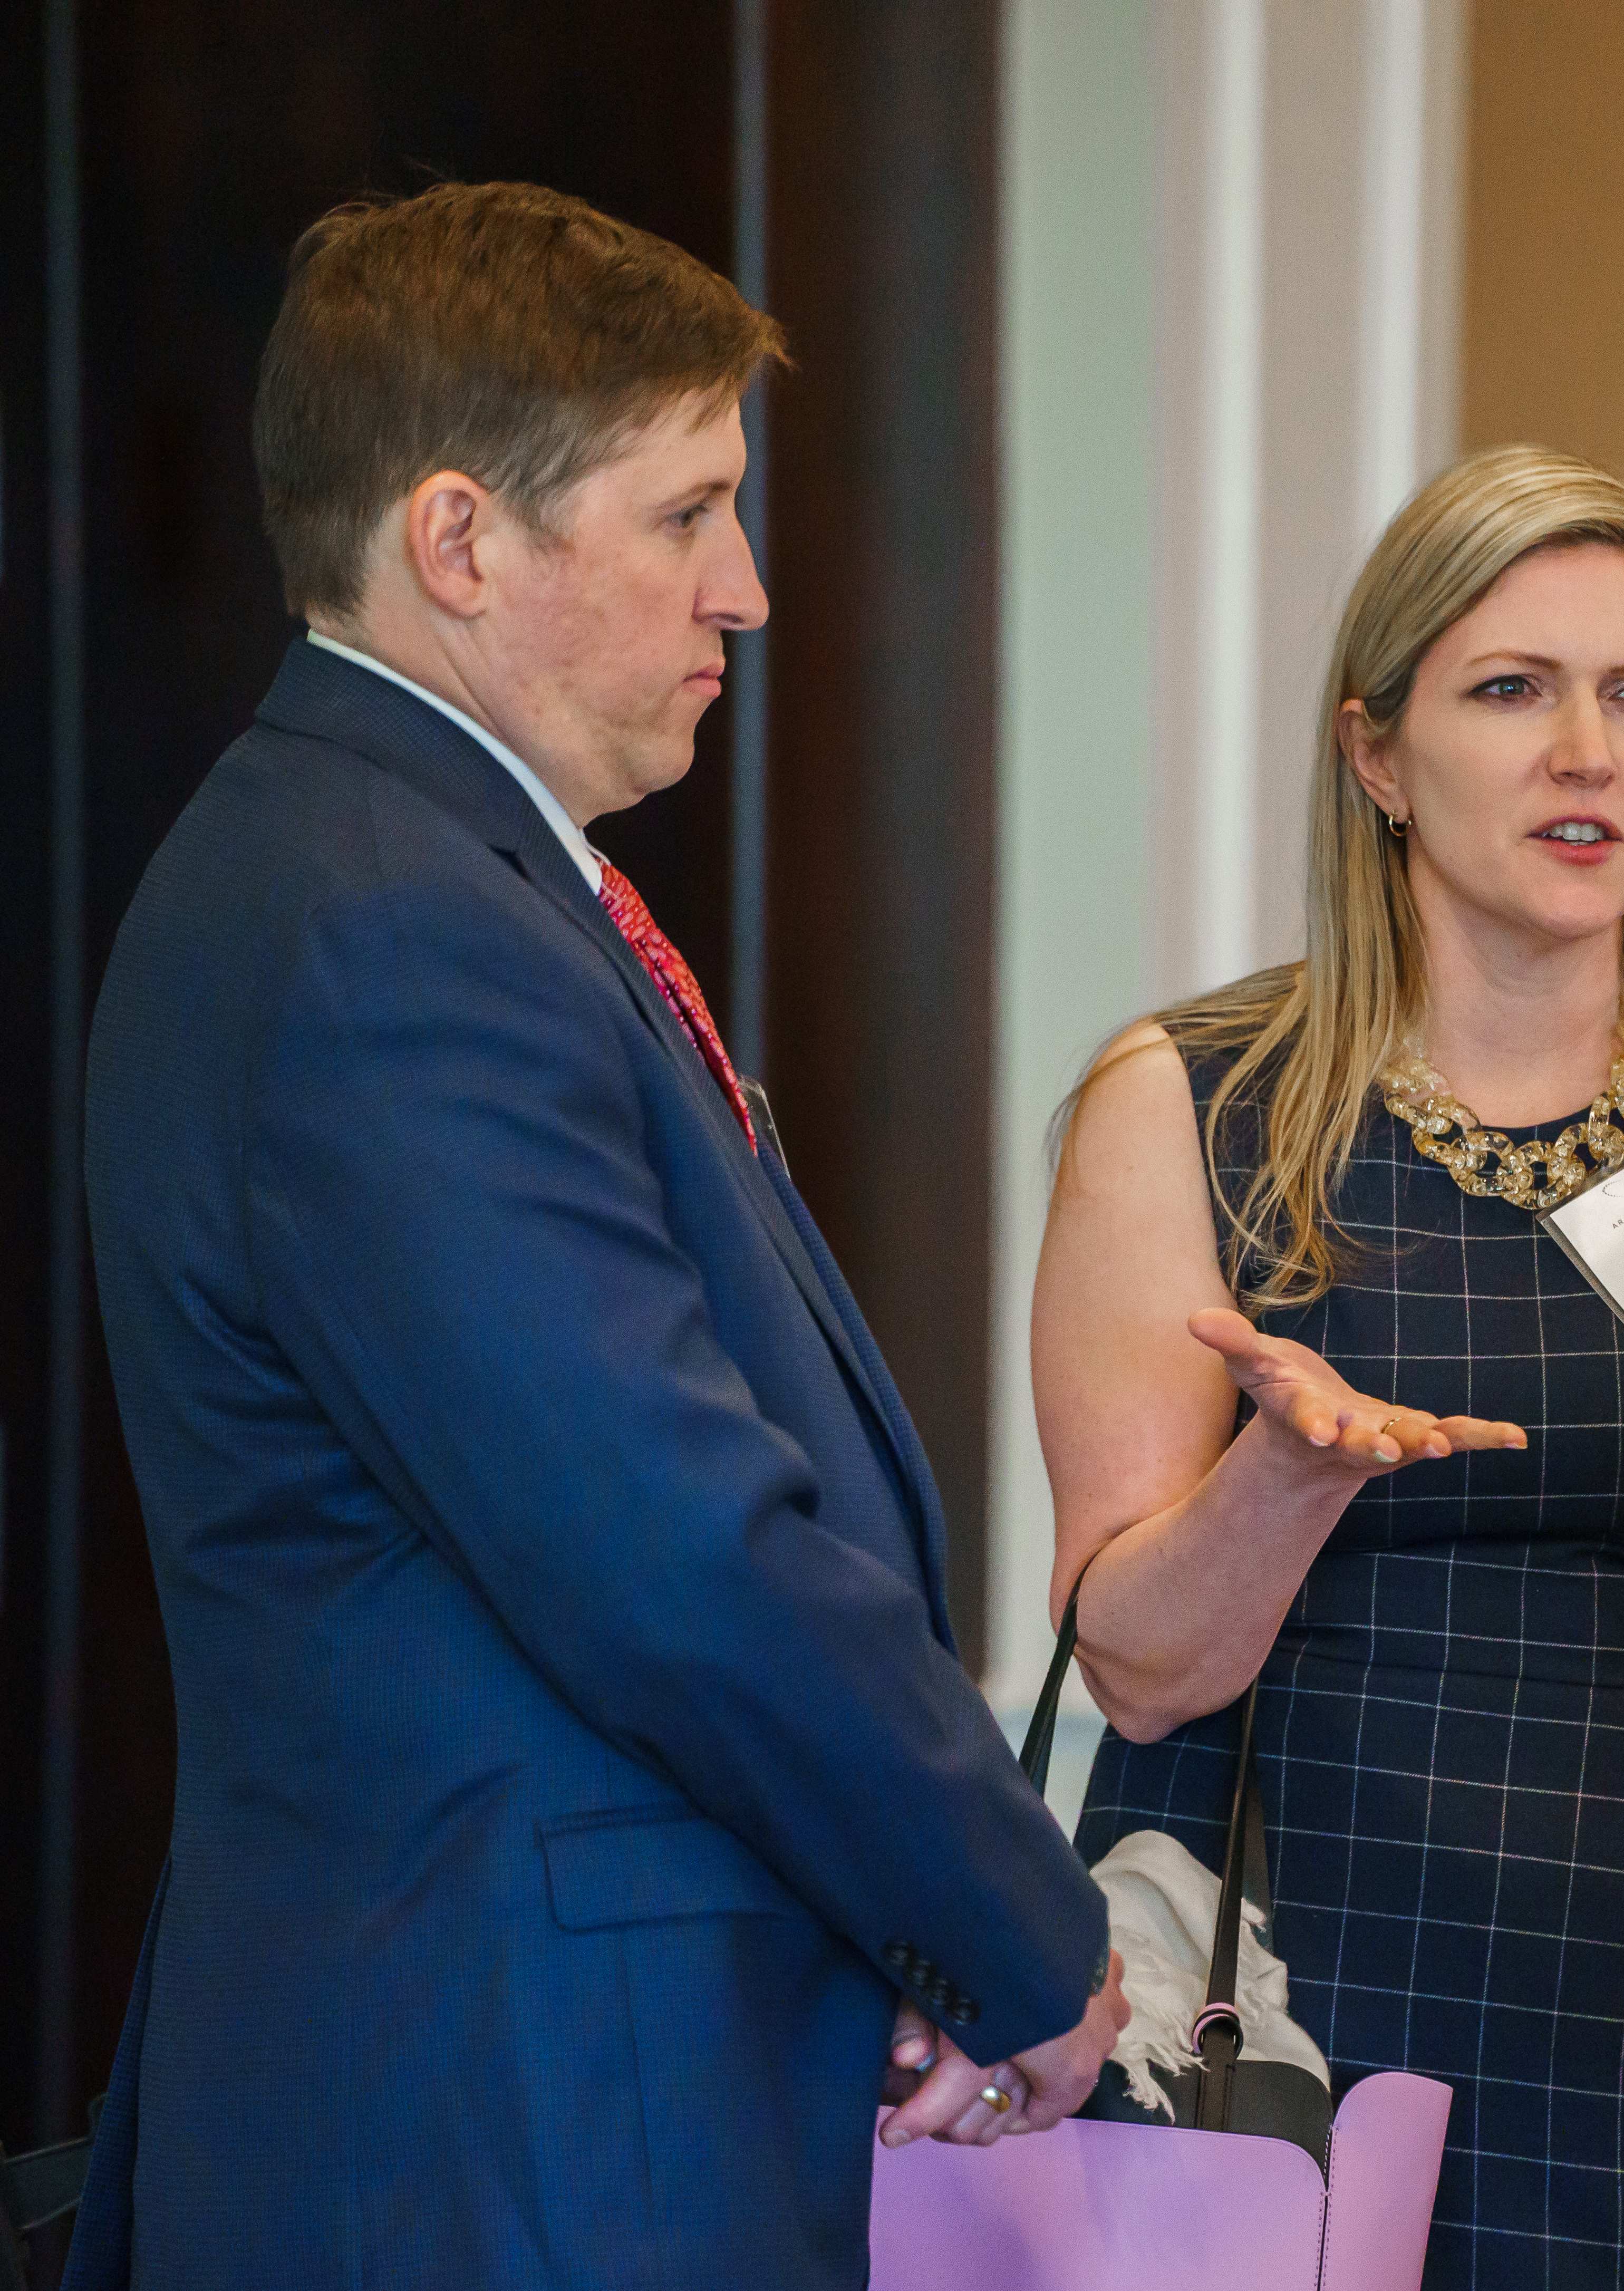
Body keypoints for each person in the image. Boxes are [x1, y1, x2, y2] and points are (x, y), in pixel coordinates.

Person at [67, 182, 1121, 2290]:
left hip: (532, 2098)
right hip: (504, 2137)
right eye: (685, 514)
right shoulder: (390, 927)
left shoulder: (405, 867)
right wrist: (1014, 1923)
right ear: (460, 542)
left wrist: (887, 1912)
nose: (745, 589)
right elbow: (676, 1549)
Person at [1035, 444, 1624, 2287]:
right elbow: (1140, 1667)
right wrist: (1290, 1474)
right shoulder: (1192, 1107)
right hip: (1293, 2028)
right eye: (1513, 689)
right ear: (1376, 753)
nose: (1587, 751)